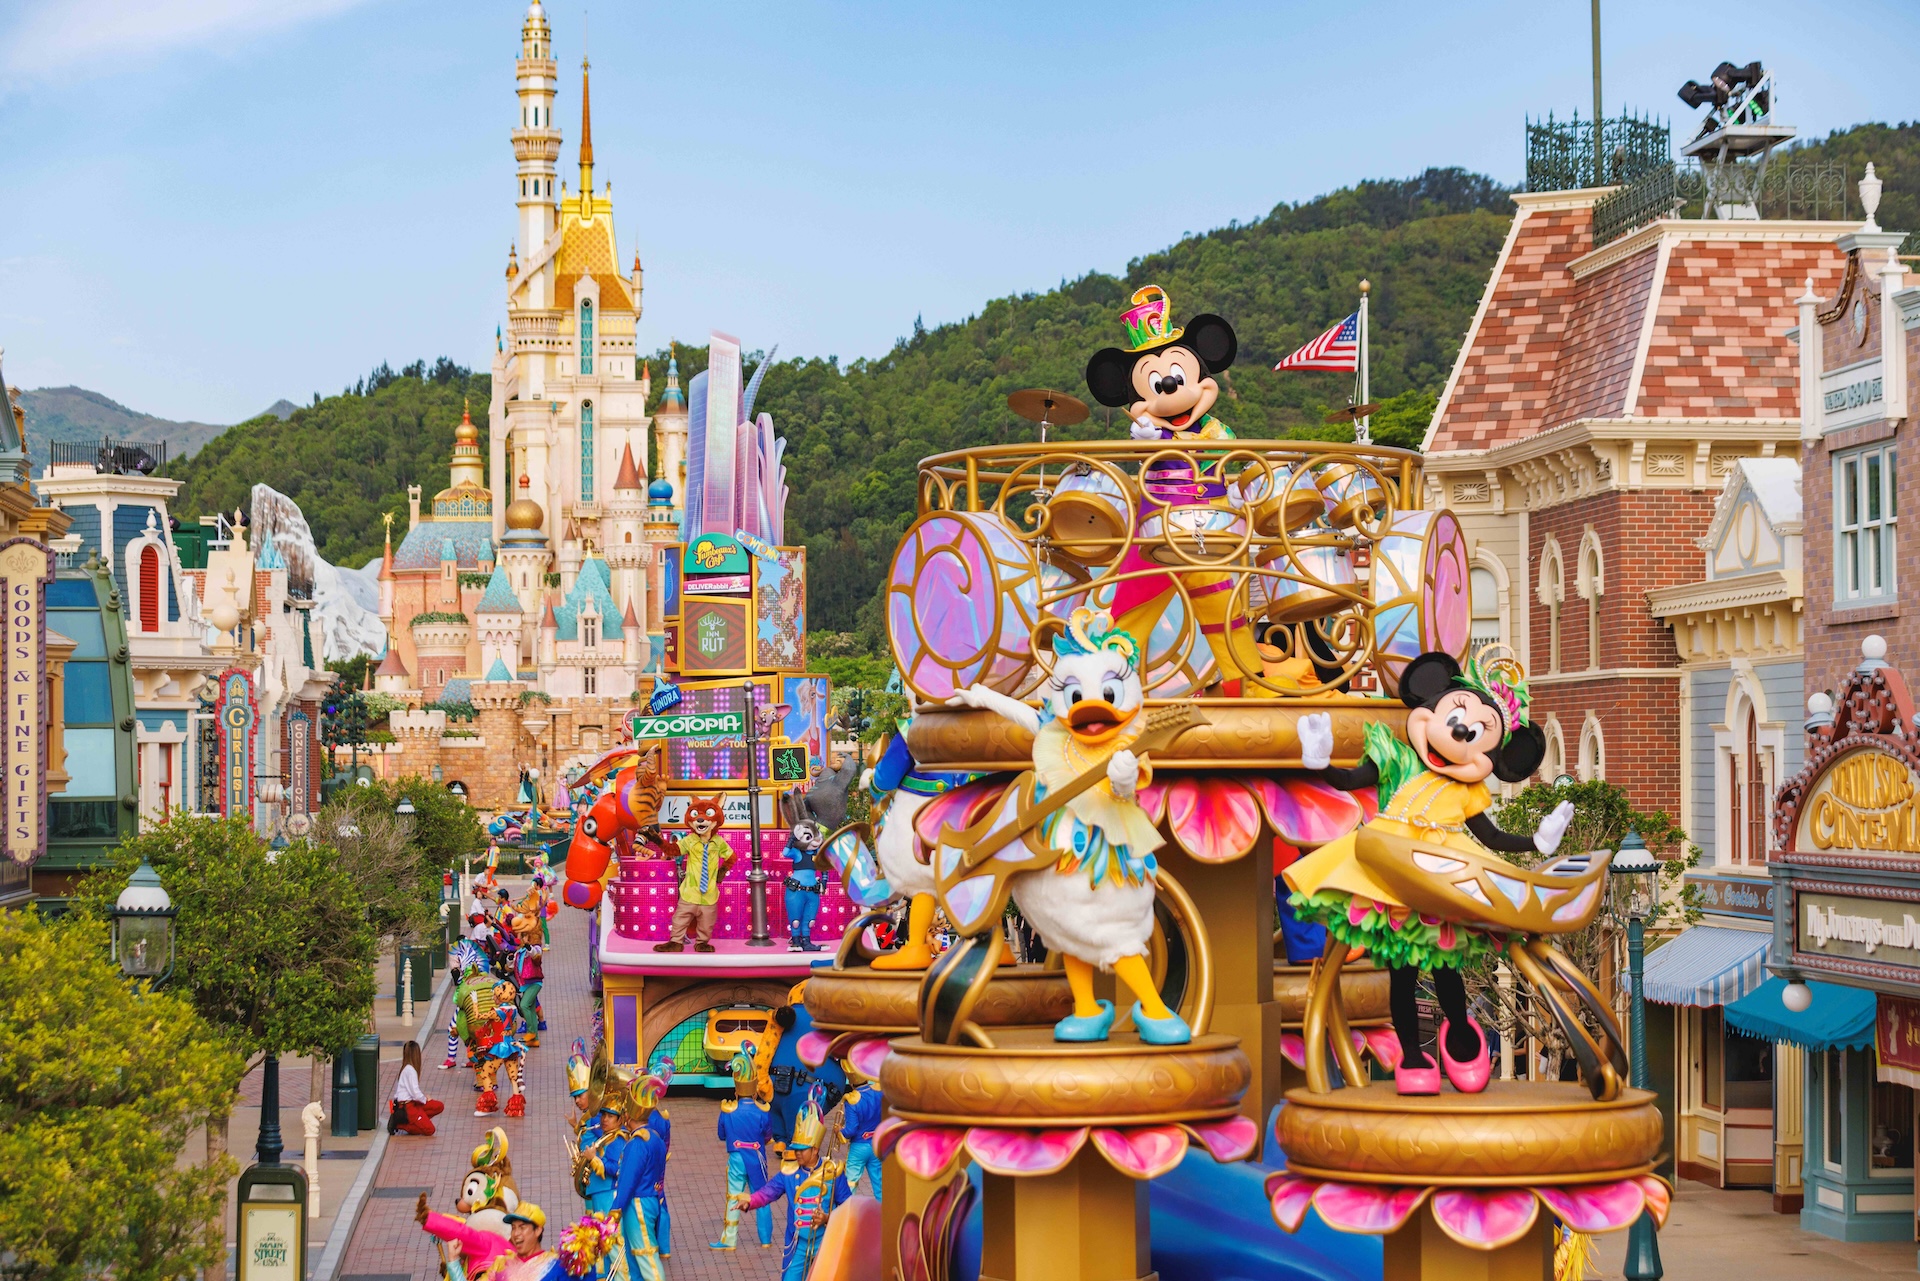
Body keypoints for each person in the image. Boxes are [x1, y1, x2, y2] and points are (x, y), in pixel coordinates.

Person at [733, 1088, 851, 1281]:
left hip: (825, 1243)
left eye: (802, 1150)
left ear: (814, 1149)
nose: (797, 1153)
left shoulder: (833, 1172)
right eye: (795, 1149)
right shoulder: (789, 1172)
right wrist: (750, 1201)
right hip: (798, 1244)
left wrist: (827, 1218)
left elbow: (848, 1209)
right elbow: (769, 1191)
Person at [709, 1045, 773, 1251]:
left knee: (733, 1197)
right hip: (757, 1157)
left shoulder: (727, 1110)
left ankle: (729, 1240)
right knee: (762, 1197)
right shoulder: (763, 1111)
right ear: (754, 1091)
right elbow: (768, 1136)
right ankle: (765, 1239)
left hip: (736, 1157)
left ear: (736, 1091)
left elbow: (721, 1135)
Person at [652, 796, 733, 953]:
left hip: (709, 893)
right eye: (696, 815)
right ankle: (675, 942)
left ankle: (702, 942)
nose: (700, 820)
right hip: (690, 891)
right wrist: (657, 839)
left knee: (707, 921)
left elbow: (731, 857)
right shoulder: (689, 840)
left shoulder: (719, 842)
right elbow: (672, 850)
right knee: (680, 918)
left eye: (707, 815)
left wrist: (722, 871)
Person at [607, 1082, 668, 1281]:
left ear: (628, 1115)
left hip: (638, 1203)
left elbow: (628, 1181)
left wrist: (616, 1209)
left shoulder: (637, 1143)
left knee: (645, 1254)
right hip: (650, 1199)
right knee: (634, 1257)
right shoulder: (655, 1138)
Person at [782, 820, 828, 953]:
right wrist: (792, 838)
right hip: (796, 891)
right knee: (795, 919)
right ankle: (796, 941)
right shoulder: (797, 852)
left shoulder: (817, 854)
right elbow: (785, 852)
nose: (815, 840)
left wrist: (824, 882)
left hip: (812, 891)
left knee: (810, 919)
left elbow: (824, 868)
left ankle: (806, 942)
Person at [839, 1071, 883, 1201]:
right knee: (879, 1183)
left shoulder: (852, 1100)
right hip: (876, 1144)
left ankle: (846, 1208)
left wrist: (839, 1131)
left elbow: (851, 1130)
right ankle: (883, 1210)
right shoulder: (878, 1092)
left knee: (851, 1183)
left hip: (858, 1147)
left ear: (851, 1083)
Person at [389, 1041, 446, 1136]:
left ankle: (419, 1120)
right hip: (408, 1107)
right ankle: (400, 1124)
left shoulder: (407, 1069)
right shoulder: (410, 1071)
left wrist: (424, 1100)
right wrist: (425, 1100)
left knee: (439, 1106)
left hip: (413, 1103)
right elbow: (415, 1094)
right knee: (430, 1130)